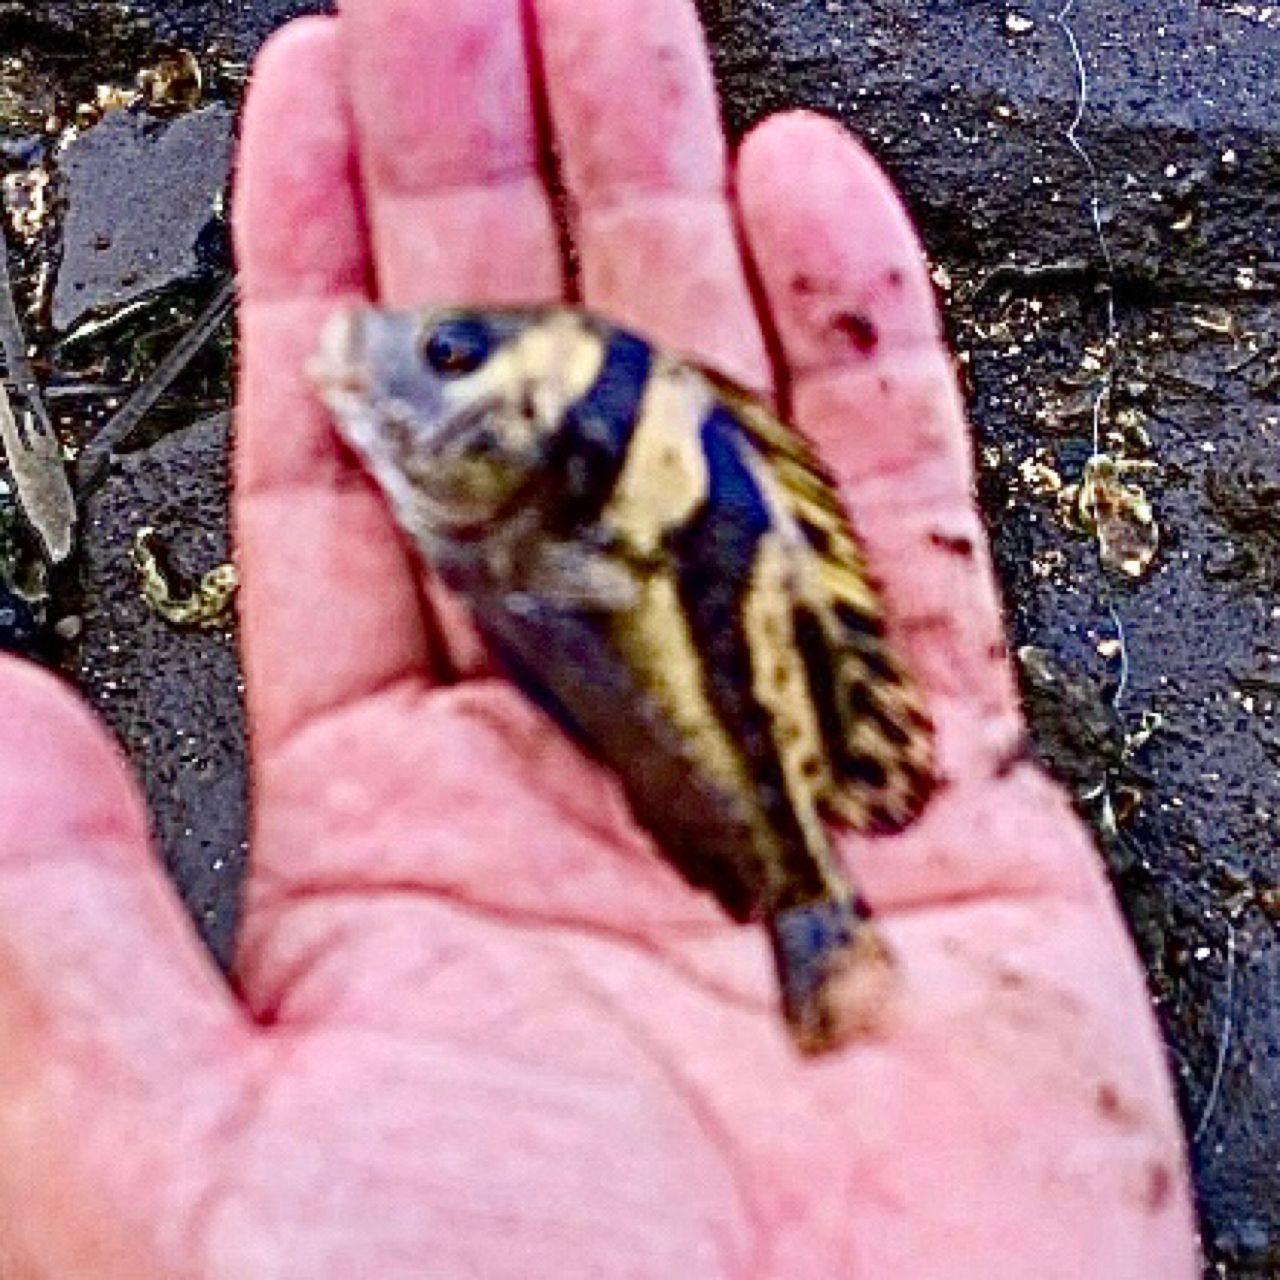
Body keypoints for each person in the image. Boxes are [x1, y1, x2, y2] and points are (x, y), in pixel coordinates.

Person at [0, 1, 1199, 1274]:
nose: (396, 362)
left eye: (447, 357)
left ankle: (816, 927)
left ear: (526, 445)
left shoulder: (545, 503)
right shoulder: (540, 498)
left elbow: (586, 615)